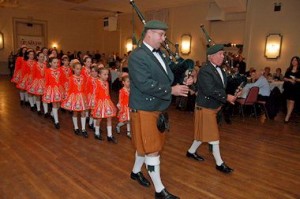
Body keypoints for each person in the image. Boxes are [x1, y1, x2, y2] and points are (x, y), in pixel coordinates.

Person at [128, 20, 191, 199]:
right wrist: (171, 90)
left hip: (157, 107)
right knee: (152, 148)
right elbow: (144, 83)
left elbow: (168, 75)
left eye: (164, 35)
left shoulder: (161, 54)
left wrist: (184, 79)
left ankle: (135, 172)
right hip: (144, 108)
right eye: (161, 35)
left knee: (145, 145)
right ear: (149, 34)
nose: (164, 39)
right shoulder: (137, 56)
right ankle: (159, 190)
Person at [186, 44, 238, 174]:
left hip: (214, 106)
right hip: (205, 106)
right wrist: (226, 97)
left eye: (222, 54)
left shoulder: (220, 69)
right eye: (220, 54)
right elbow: (210, 90)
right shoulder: (205, 70)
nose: (222, 56)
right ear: (211, 57)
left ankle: (191, 152)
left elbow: (221, 86)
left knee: (202, 133)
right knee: (213, 135)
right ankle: (219, 163)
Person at [61, 59, 88, 137]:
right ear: (73, 69)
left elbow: (85, 88)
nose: (79, 71)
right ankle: (76, 127)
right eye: (77, 69)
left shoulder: (83, 77)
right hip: (74, 97)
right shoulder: (71, 78)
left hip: (82, 97)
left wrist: (86, 97)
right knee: (75, 112)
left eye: (80, 69)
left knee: (83, 112)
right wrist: (67, 99)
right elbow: (68, 89)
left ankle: (83, 129)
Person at [92, 67, 117, 143]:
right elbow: (94, 94)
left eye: (107, 74)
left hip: (107, 102)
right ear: (99, 75)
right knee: (99, 119)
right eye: (104, 74)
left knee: (109, 118)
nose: (106, 76)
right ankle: (96, 133)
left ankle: (109, 135)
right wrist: (94, 105)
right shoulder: (97, 82)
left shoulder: (107, 83)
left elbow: (107, 93)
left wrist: (109, 102)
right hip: (99, 103)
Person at [43, 57, 64, 129]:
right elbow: (46, 81)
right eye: (54, 63)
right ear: (50, 63)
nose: (56, 64)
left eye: (57, 62)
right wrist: (46, 91)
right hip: (51, 89)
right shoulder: (47, 71)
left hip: (59, 88)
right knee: (54, 104)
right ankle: (56, 121)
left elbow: (61, 80)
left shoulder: (60, 70)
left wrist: (63, 89)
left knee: (58, 105)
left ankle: (52, 113)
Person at [283, 56, 300, 123]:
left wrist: (295, 79)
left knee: (292, 101)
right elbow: (284, 78)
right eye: (292, 60)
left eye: (295, 60)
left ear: (298, 61)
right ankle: (288, 113)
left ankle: (287, 117)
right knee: (287, 101)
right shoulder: (288, 69)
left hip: (295, 88)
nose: (294, 61)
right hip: (287, 87)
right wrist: (290, 79)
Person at [116, 74, 131, 139]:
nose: (129, 83)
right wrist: (120, 106)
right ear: (123, 82)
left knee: (129, 120)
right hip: (125, 107)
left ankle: (128, 132)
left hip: (130, 107)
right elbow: (120, 99)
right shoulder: (122, 90)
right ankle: (118, 125)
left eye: (130, 81)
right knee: (125, 120)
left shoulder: (131, 89)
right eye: (127, 81)